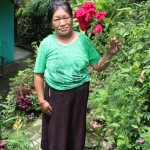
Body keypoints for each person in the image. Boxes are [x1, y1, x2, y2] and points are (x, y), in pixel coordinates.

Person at [34, 0, 122, 150]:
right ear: (51, 23)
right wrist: (42, 101)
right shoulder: (47, 44)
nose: (62, 23)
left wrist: (109, 54)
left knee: (75, 134)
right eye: (57, 19)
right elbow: (38, 75)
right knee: (56, 137)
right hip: (55, 96)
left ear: (72, 18)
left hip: (79, 95)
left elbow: (98, 66)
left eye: (66, 17)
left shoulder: (84, 41)